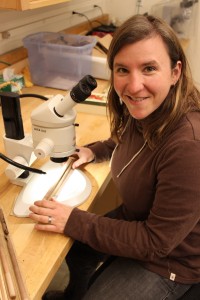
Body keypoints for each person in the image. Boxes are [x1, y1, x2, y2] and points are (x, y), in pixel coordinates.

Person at [29, 14, 200, 300]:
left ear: (175, 72)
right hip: (137, 219)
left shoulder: (188, 147)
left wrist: (74, 220)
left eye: (149, 68)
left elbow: (155, 242)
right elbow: (125, 140)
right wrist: (95, 150)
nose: (133, 87)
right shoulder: (149, 110)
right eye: (123, 70)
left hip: (170, 259)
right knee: (78, 250)